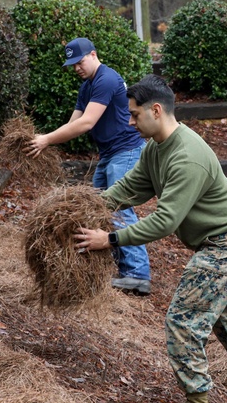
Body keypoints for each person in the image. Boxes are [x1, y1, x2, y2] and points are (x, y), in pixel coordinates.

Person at [73, 75, 227, 403]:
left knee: (182, 320)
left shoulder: (187, 156)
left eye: (134, 115)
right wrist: (83, 206)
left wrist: (111, 238)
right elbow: (131, 188)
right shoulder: (155, 148)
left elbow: (165, 221)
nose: (129, 122)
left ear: (156, 110)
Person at [26, 37, 151, 295]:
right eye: (72, 65)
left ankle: (138, 275)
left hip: (125, 151)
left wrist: (46, 140)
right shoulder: (88, 86)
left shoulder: (106, 79)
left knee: (120, 210)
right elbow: (74, 122)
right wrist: (46, 141)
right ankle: (117, 268)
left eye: (80, 62)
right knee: (99, 211)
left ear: (93, 54)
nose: (76, 68)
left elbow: (86, 124)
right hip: (109, 154)